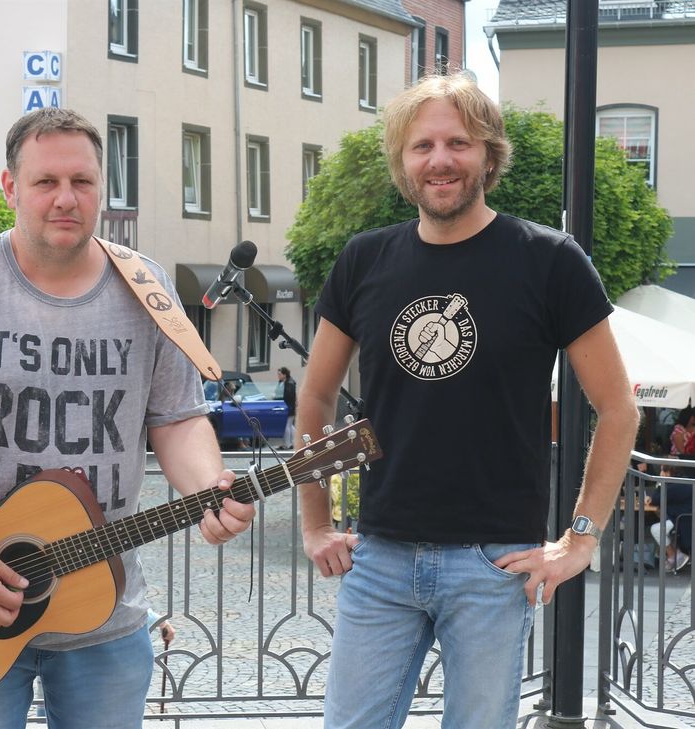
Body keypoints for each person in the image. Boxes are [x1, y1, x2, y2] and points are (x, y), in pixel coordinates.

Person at [0, 107, 255, 729]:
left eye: (83, 181)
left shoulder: (147, 290)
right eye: (46, 182)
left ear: (103, 187)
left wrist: (206, 488)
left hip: (105, 610)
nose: (66, 198)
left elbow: (177, 420)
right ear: (11, 187)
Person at [297, 74, 639, 729]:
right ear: (402, 161)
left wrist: (580, 539)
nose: (439, 159)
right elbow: (312, 397)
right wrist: (314, 523)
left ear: (488, 153)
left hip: (491, 564)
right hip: (381, 558)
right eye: (421, 145)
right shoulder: (364, 260)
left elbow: (617, 406)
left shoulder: (548, 260)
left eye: (458, 141)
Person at [650, 461, 692, 571]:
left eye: (663, 470)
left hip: (681, 520)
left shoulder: (676, 485)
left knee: (655, 529)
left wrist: (659, 483)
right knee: (658, 519)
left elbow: (655, 499)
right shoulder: (682, 481)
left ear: (670, 472)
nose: (661, 473)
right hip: (682, 518)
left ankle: (675, 556)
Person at [277, 367, 297, 449]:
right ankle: (295, 441)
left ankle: (287, 444)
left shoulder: (289, 383)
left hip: (289, 407)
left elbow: (289, 396)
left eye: (280, 374)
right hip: (288, 406)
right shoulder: (284, 382)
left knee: (287, 426)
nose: (278, 376)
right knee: (290, 425)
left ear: (284, 375)